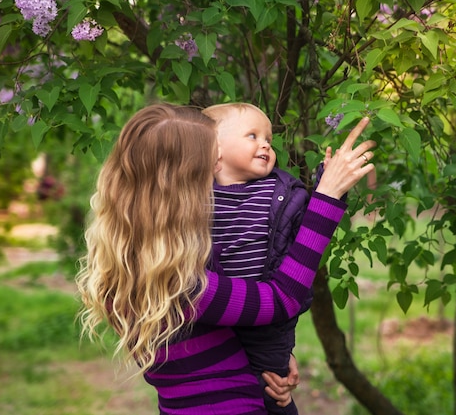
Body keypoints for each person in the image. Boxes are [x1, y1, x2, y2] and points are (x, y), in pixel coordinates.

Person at [76, 102, 376, 415]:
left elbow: (220, 334)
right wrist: (326, 197)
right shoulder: (182, 284)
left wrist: (271, 356)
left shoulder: (135, 265)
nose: (219, 169)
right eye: (213, 161)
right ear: (184, 183)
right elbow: (281, 300)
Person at [202, 102, 314, 415]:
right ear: (215, 148)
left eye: (268, 137)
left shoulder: (279, 192)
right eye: (252, 135)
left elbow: (303, 241)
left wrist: (326, 191)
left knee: (273, 389)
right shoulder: (196, 196)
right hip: (217, 314)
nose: (265, 143)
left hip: (270, 319)